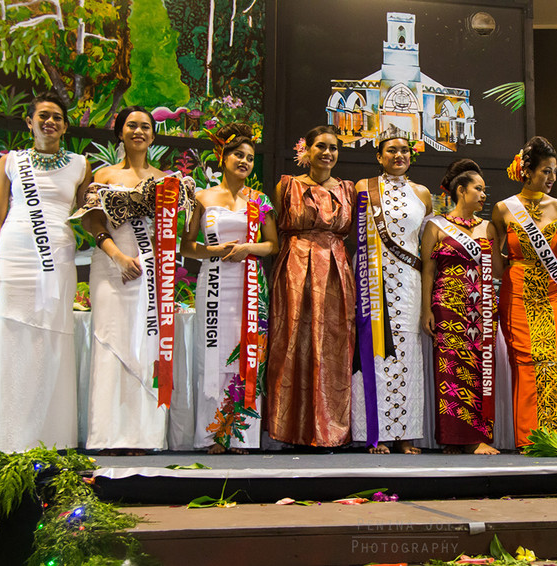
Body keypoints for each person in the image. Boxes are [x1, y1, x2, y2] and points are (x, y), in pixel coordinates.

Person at [0, 92, 91, 452]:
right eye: (43, 116)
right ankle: (6, 439)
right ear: (29, 122)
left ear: (65, 126)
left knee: (52, 339)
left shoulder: (79, 164)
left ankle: (52, 437)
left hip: (56, 259)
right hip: (14, 257)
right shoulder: (11, 163)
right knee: (11, 339)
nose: (50, 122)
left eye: (58, 117)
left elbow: (87, 216)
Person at [181, 123, 278, 454]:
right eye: (238, 154)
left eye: (250, 158)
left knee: (246, 354)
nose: (245, 161)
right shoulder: (202, 197)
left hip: (249, 285)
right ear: (223, 158)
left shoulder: (259, 199)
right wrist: (214, 252)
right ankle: (213, 433)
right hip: (214, 283)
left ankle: (241, 435)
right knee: (214, 354)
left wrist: (248, 249)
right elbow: (187, 246)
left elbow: (272, 246)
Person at [82, 106, 168, 454]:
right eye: (131, 125)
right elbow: (90, 222)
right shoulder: (103, 175)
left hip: (149, 270)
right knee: (111, 344)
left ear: (152, 135)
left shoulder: (166, 179)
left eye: (145, 126)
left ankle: (142, 436)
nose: (139, 131)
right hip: (111, 266)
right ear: (120, 132)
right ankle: (108, 436)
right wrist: (118, 257)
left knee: (144, 346)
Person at [267, 125, 355, 448]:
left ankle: (330, 431)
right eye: (321, 146)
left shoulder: (348, 189)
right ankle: (291, 429)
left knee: (332, 345)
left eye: (333, 147)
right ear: (307, 149)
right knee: (292, 341)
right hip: (295, 267)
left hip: (334, 270)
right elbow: (273, 230)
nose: (328, 153)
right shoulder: (287, 186)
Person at [351, 135, 433, 454]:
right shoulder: (363, 187)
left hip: (409, 283)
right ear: (379, 156)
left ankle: (404, 434)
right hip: (373, 280)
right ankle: (376, 433)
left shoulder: (422, 194)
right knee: (375, 351)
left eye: (404, 150)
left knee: (406, 353)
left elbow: (424, 244)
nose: (399, 155)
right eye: (391, 150)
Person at [492, 137, 557, 449]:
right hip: (517, 292)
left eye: (554, 172)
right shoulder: (502, 210)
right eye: (545, 172)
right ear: (526, 171)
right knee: (525, 361)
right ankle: (529, 438)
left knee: (551, 359)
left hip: (553, 293)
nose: (551, 178)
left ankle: (553, 435)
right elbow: (498, 266)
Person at [421, 159, 502, 455]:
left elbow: (496, 272)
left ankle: (476, 437)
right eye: (478, 189)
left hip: (481, 310)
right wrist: (425, 310)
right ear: (460, 191)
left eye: (485, 190)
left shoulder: (488, 228)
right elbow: (427, 271)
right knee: (451, 373)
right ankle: (454, 439)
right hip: (447, 306)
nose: (483, 195)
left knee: (481, 371)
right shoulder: (436, 226)